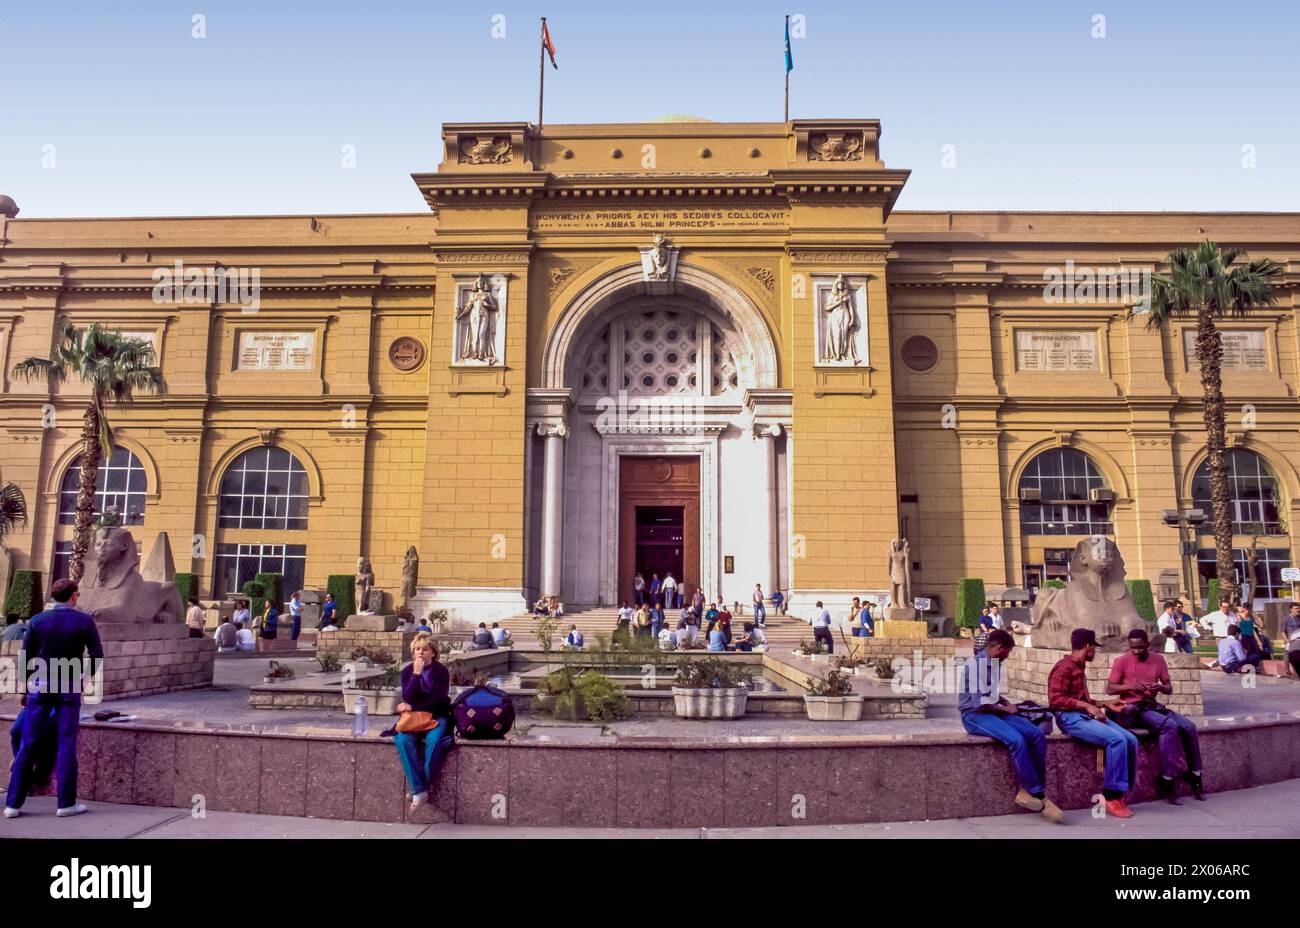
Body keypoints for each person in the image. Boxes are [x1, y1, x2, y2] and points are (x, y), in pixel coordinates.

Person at [5, 579, 104, 819]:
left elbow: (25, 656)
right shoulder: (83, 621)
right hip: (68, 686)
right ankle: (65, 803)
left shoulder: (38, 620)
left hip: (40, 686)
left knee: (28, 742)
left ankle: (13, 805)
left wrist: (23, 688)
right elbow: (96, 654)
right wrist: (85, 678)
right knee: (66, 742)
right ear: (73, 596)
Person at [959, 629, 1063, 823]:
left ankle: (1027, 790)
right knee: (1017, 740)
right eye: (1007, 652)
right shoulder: (974, 666)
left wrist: (1007, 703)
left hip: (993, 711)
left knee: (1036, 734)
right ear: (998, 648)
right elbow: (979, 703)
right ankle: (1040, 795)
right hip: (974, 715)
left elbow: (991, 694)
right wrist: (1006, 710)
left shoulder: (994, 664)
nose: (1008, 656)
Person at [1048, 628, 1139, 818]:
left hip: (1082, 714)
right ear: (1087, 647)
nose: (1095, 652)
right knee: (1116, 740)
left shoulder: (1079, 667)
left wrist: (1105, 703)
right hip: (1069, 718)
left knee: (1131, 739)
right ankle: (1111, 796)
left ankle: (1122, 792)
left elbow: (1083, 700)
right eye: (1094, 648)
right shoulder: (1063, 667)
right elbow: (1055, 700)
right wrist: (1087, 707)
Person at [1106, 629, 1204, 803]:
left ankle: (1195, 774)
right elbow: (1110, 688)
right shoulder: (1122, 661)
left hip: (1153, 705)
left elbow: (1169, 688)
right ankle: (1166, 779)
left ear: (1148, 645)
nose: (1136, 651)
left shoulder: (1158, 660)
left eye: (1140, 647)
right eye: (1133, 647)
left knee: (1189, 727)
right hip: (1135, 708)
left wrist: (1158, 688)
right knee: (1169, 726)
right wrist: (1131, 686)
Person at [390, 633, 455, 814]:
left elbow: (438, 700)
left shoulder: (440, 671)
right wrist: (416, 675)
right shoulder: (408, 671)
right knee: (403, 740)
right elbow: (407, 696)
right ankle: (420, 790)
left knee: (435, 742)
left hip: (437, 716)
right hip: (413, 719)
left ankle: (419, 789)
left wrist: (412, 705)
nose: (421, 653)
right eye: (417, 649)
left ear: (433, 653)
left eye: (425, 649)